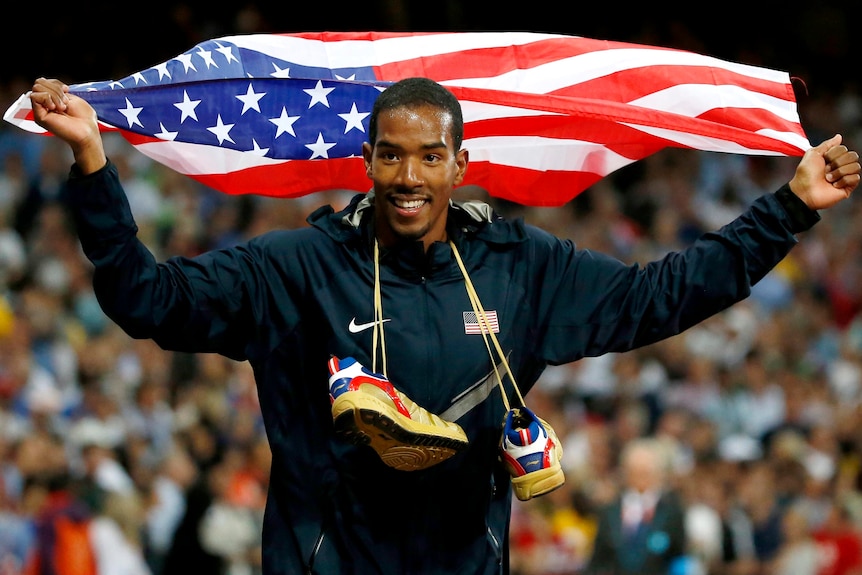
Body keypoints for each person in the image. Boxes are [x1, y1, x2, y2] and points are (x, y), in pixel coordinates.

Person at [28, 74, 860, 575]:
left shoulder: (520, 264)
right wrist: (95, 167)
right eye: (391, 153)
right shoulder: (296, 268)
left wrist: (787, 209)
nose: (408, 175)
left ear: (461, 165)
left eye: (430, 156)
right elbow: (146, 300)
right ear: (368, 160)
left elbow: (662, 295)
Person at [583, 437, 688, 575]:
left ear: (658, 474)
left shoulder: (672, 513)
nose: (641, 477)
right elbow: (597, 560)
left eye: (646, 472)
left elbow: (678, 558)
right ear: (625, 473)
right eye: (635, 471)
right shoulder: (609, 512)